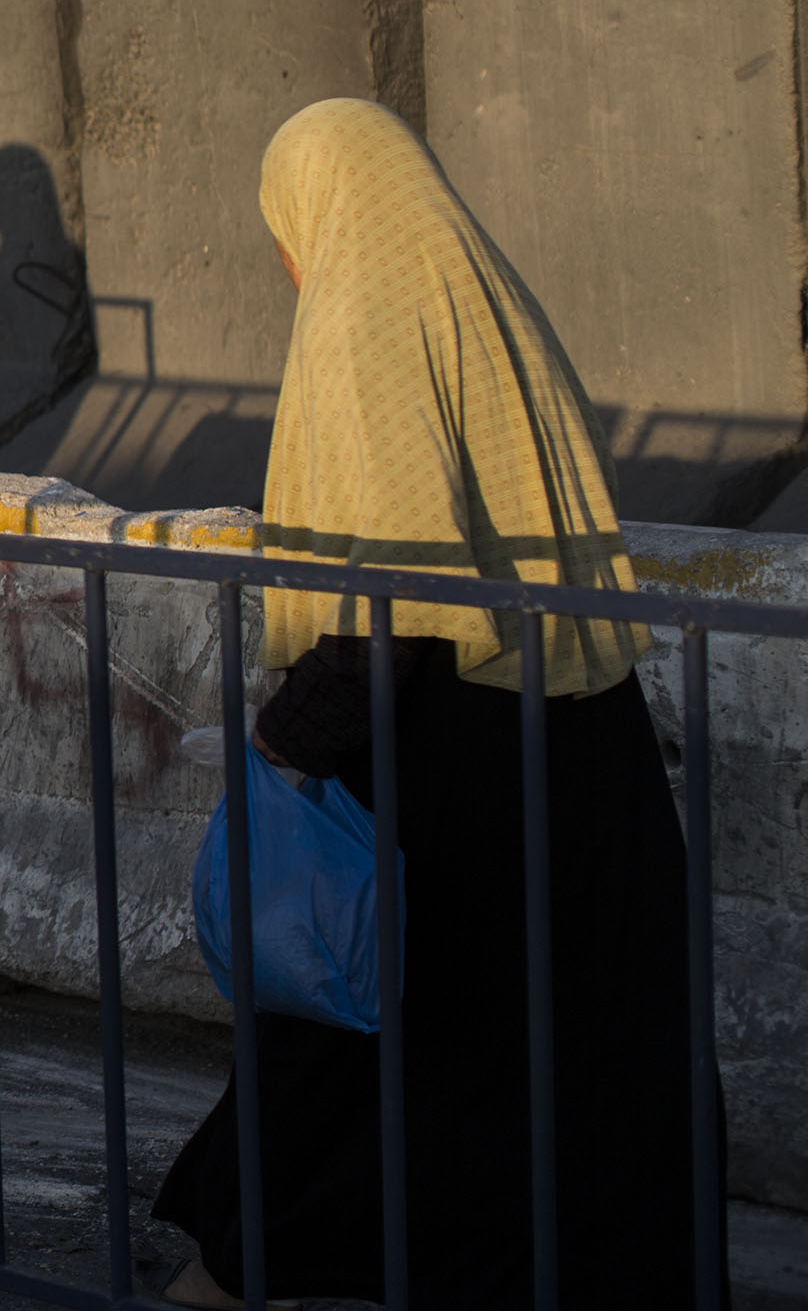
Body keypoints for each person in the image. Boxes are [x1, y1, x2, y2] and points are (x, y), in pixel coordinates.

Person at [152, 97, 706, 1309]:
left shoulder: (361, 318)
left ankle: (230, 1274)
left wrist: (279, 740)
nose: (291, 259)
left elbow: (387, 598)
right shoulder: (479, 294)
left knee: (350, 1052)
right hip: (572, 738)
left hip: (447, 760)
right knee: (562, 1075)